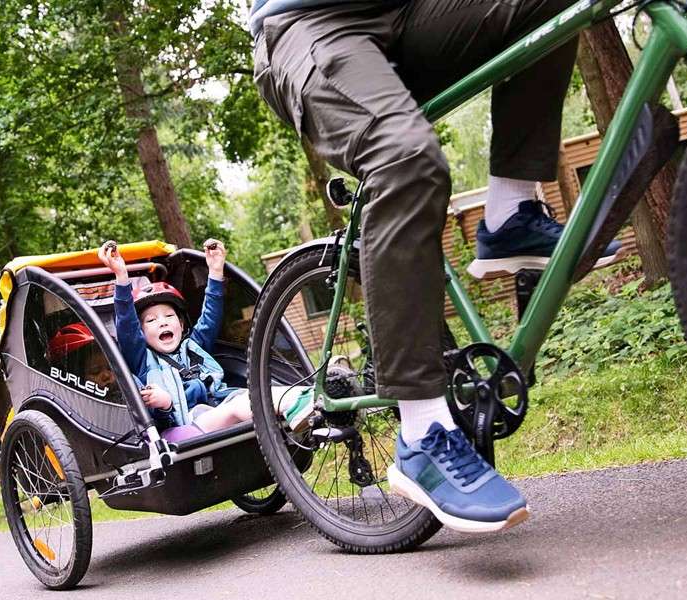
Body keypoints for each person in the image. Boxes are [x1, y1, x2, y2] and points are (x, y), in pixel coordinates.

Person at [247, 0, 617, 533]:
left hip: (411, 14)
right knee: (406, 158)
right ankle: (422, 431)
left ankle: (510, 210)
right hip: (311, 24)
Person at [103, 240, 324, 434]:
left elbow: (210, 317)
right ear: (141, 333)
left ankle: (319, 396)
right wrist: (122, 278)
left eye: (169, 316)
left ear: (180, 324)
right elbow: (127, 326)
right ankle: (298, 406)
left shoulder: (194, 346)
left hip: (220, 404)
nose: (162, 322)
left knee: (262, 392)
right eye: (151, 321)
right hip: (188, 421)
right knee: (241, 404)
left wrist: (216, 271)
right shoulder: (143, 360)